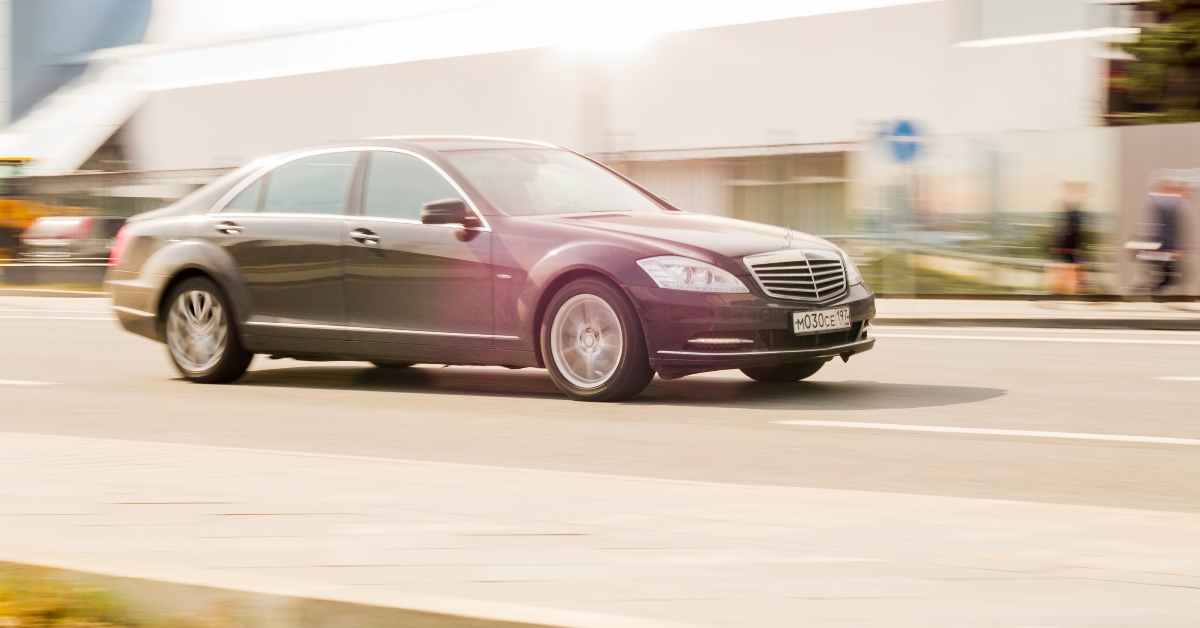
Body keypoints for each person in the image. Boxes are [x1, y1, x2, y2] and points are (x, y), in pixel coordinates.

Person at [1142, 178, 1187, 294]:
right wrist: (1167, 249)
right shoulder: (1162, 205)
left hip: (1163, 248)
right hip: (1161, 248)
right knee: (1169, 278)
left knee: (1169, 278)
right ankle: (1141, 292)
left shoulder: (1165, 204)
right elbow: (1163, 230)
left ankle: (1143, 293)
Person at [1047, 182, 1088, 294]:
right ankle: (1076, 285)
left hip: (1067, 248)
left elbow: (1067, 231)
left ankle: (1065, 288)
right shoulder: (1072, 214)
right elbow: (1070, 232)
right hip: (1068, 248)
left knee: (1069, 268)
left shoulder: (1070, 213)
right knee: (1072, 267)